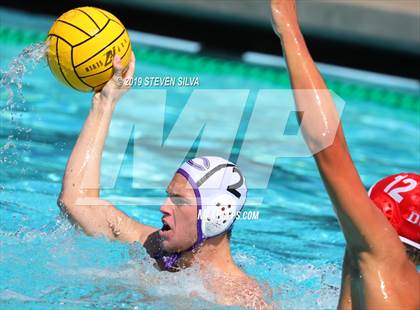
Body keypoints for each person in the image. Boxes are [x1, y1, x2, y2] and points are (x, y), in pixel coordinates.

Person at [57, 53, 268, 309]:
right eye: (169, 196)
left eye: (178, 200)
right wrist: (105, 102)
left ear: (216, 215)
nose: (164, 207)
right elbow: (77, 202)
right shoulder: (153, 249)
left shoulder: (241, 299)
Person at [270, 0, 419, 309]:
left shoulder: (385, 263)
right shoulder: (385, 280)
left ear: (381, 221)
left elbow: (327, 145)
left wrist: (288, 27)